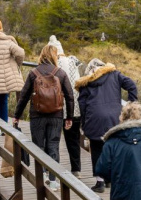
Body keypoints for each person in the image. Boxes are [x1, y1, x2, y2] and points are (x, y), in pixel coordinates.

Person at [13, 44, 75, 191]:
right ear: (55, 56)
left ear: (42, 55)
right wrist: (69, 117)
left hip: (37, 115)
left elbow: (24, 96)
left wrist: (17, 115)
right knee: (53, 146)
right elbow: (70, 96)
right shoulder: (61, 73)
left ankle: (42, 176)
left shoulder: (33, 73)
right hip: (56, 116)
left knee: (38, 146)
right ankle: (53, 181)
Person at [76, 58, 138, 193]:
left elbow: (82, 104)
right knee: (112, 148)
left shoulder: (86, 81)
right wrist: (131, 105)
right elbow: (132, 85)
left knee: (96, 149)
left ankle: (100, 182)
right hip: (114, 118)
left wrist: (84, 123)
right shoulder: (115, 74)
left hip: (94, 117)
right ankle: (110, 179)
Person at [52, 35, 83, 177]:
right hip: (74, 108)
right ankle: (76, 169)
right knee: (73, 140)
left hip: (56, 108)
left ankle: (53, 171)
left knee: (53, 140)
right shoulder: (73, 61)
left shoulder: (52, 64)